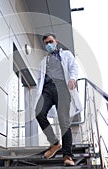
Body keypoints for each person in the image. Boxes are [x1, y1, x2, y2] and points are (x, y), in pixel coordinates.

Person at [35, 33, 82, 166]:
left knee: (64, 121)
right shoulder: (44, 61)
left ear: (56, 41)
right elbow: (40, 79)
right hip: (47, 89)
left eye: (50, 41)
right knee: (39, 113)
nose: (48, 45)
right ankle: (55, 144)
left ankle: (68, 156)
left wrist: (73, 78)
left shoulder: (66, 54)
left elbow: (73, 67)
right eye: (46, 43)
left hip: (62, 88)